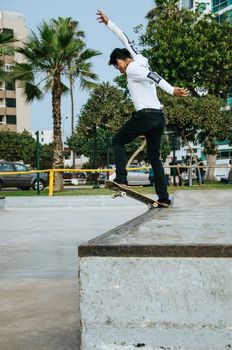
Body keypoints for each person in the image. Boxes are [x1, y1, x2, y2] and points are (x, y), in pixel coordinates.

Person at [96, 10, 189, 206]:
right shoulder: (138, 58)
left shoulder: (132, 68)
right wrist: (109, 23)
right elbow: (125, 38)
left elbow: (154, 76)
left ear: (120, 60)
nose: (119, 70)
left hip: (146, 116)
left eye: (116, 66)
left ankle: (121, 178)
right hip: (158, 117)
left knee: (117, 141)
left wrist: (171, 90)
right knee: (154, 157)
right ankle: (163, 198)